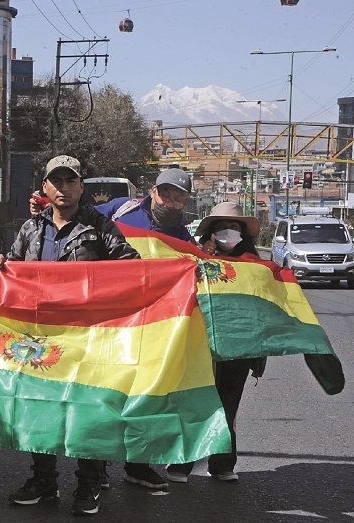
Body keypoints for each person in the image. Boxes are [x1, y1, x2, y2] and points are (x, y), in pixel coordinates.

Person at [0, 154, 139, 516]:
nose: (63, 188)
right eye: (56, 181)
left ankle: (89, 484)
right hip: (40, 340)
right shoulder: (30, 229)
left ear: (81, 187)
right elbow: (14, 270)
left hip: (87, 338)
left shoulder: (100, 227)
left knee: (87, 409)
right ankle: (43, 480)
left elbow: (130, 267)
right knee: (40, 408)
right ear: (45, 187)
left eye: (71, 181)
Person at [95, 167, 193, 491]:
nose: (171, 201)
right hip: (112, 320)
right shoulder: (120, 209)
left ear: (185, 203)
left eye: (179, 198)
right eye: (166, 194)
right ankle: (96, 469)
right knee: (107, 394)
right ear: (153, 191)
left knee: (146, 396)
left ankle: (137, 466)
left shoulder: (183, 239)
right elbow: (82, 223)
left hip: (152, 329)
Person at [166, 201, 265, 483]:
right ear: (211, 232)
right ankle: (181, 464)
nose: (229, 232)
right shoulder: (193, 261)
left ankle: (222, 464)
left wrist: (258, 352)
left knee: (227, 406)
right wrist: (200, 259)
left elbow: (264, 310)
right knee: (193, 402)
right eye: (222, 227)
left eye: (234, 227)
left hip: (239, 348)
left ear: (243, 233)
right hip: (200, 345)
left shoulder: (256, 266)